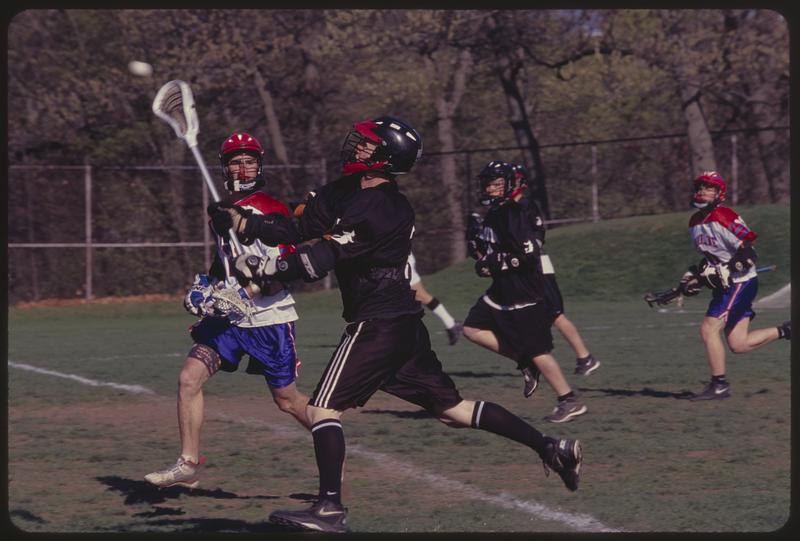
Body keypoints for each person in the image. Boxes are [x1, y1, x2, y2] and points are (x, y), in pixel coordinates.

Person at [232, 117, 583, 533]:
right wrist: (245, 223)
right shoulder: (345, 190)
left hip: (380, 320)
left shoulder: (387, 208)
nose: (356, 148)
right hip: (400, 322)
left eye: (366, 145)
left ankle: (329, 508)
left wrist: (268, 264)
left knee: (322, 408)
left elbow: (318, 260)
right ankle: (552, 448)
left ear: (386, 156)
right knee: (453, 411)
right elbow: (299, 226)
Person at [144, 132, 311, 489]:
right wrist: (206, 286)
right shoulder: (221, 210)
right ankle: (188, 463)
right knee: (189, 378)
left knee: (287, 401)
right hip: (230, 319)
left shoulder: (269, 207)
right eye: (236, 160)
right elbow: (226, 263)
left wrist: (247, 287)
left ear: (260, 165)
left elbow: (283, 258)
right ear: (224, 167)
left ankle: (330, 434)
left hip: (269, 319)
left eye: (249, 160)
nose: (243, 166)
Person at [461, 160, 588, 424]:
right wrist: (476, 245)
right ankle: (524, 361)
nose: (490, 189)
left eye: (496, 184)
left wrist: (495, 264)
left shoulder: (514, 213)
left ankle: (569, 400)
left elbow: (528, 255)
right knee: (471, 329)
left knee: (539, 351)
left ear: (509, 185)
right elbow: (487, 252)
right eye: (487, 184)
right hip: (501, 292)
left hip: (523, 294)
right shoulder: (494, 215)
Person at [679, 170, 790, 401]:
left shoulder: (725, 216)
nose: (702, 191)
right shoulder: (694, 222)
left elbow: (748, 252)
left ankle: (719, 385)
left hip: (740, 283)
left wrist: (728, 269)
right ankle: (787, 331)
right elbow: (708, 258)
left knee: (708, 329)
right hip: (726, 286)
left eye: (709, 188)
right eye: (700, 186)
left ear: (719, 193)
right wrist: (695, 277)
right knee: (738, 344)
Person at [509, 163, 600, 377]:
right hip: (519, 269)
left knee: (554, 314)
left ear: (519, 182)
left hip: (537, 266)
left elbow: (538, 234)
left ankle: (585, 357)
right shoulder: (505, 208)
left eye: (509, 181)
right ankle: (535, 360)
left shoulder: (525, 205)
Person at [407, 251, 463, 345]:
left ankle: (451, 324)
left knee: (419, 295)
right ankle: (451, 324)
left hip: (398, 257)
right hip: (387, 256)